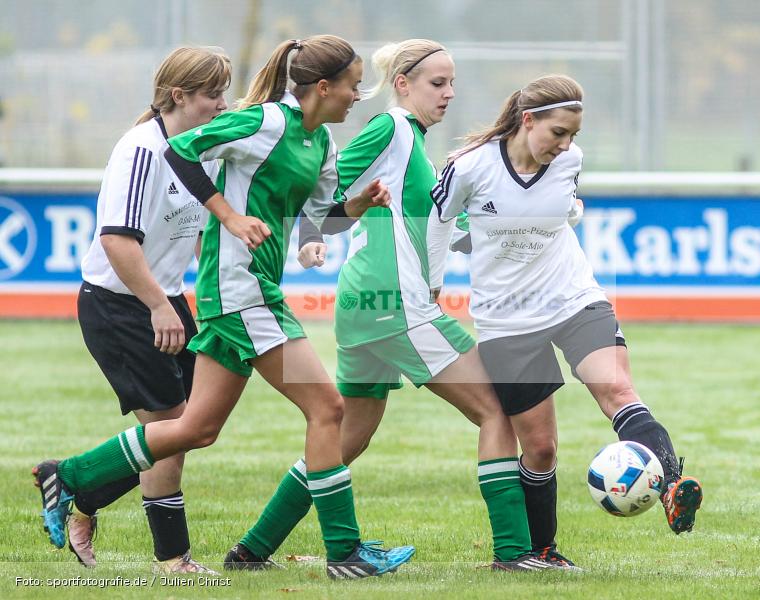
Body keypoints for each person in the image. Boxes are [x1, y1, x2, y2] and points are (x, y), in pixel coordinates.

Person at [33, 35, 414, 580]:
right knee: (327, 408)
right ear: (324, 87)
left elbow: (323, 216)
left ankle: (67, 475)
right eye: (354, 86)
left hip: (250, 291)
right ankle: (345, 554)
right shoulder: (265, 123)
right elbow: (179, 149)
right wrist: (229, 217)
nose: (359, 96)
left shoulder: (321, 142)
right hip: (239, 292)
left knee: (197, 428)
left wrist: (358, 203)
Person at [227, 39, 566, 572]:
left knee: (345, 437)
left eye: (452, 82)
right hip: (394, 305)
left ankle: (251, 550)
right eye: (437, 83)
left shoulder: (413, 141)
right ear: (402, 84)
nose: (449, 93)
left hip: (369, 305)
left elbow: (365, 210)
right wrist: (311, 232)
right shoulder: (393, 128)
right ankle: (514, 553)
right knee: (494, 411)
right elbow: (326, 190)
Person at [428, 75, 704, 565]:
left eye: (573, 135)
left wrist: (566, 214)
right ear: (527, 120)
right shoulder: (470, 168)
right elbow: (439, 220)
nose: (566, 145)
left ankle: (670, 483)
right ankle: (542, 550)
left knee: (618, 390)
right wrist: (432, 283)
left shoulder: (568, 162)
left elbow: (561, 210)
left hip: (573, 297)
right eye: (558, 132)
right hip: (508, 319)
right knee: (540, 448)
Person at [60, 45, 231, 573]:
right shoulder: (142, 150)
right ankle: (172, 559)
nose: (222, 106)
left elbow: (195, 234)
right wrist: (159, 304)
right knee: (174, 430)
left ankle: (79, 490)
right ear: (178, 96)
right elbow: (117, 242)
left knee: (191, 427)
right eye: (212, 94)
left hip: (164, 301)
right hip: (122, 305)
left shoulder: (194, 148)